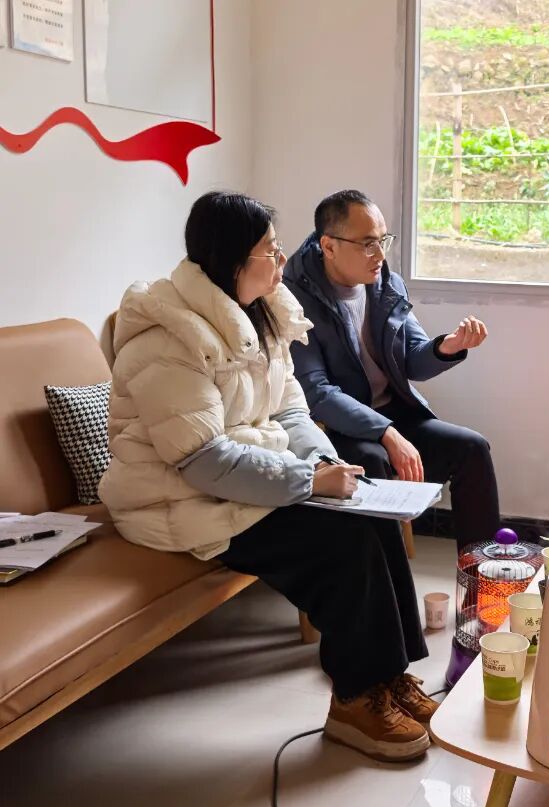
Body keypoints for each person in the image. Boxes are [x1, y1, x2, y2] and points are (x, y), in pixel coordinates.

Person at [98, 191, 436, 763]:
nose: (282, 261)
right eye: (269, 251)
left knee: (372, 515)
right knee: (343, 542)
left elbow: (291, 410)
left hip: (247, 477)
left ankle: (388, 676)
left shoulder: (262, 313)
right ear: (232, 258)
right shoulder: (167, 339)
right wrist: (309, 481)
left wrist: (322, 463)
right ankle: (354, 701)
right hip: (177, 498)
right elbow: (202, 460)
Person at [283, 190, 499, 551]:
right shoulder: (292, 300)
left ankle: (481, 573)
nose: (381, 255)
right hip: (336, 428)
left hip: (393, 417)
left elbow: (412, 359)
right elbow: (317, 393)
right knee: (372, 460)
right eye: (368, 244)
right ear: (329, 246)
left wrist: (446, 347)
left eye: (383, 240)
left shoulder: (385, 284)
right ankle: (386, 576)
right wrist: (386, 432)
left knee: (472, 448)